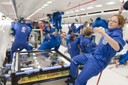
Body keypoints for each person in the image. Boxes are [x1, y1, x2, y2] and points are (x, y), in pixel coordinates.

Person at [69, 14, 126, 85]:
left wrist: (103, 34)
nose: (110, 22)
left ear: (119, 25)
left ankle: (76, 82)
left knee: (79, 81)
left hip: (98, 61)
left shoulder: (117, 34)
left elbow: (117, 47)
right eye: (110, 20)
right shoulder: (110, 30)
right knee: (74, 60)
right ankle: (72, 79)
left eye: (114, 21)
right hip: (94, 55)